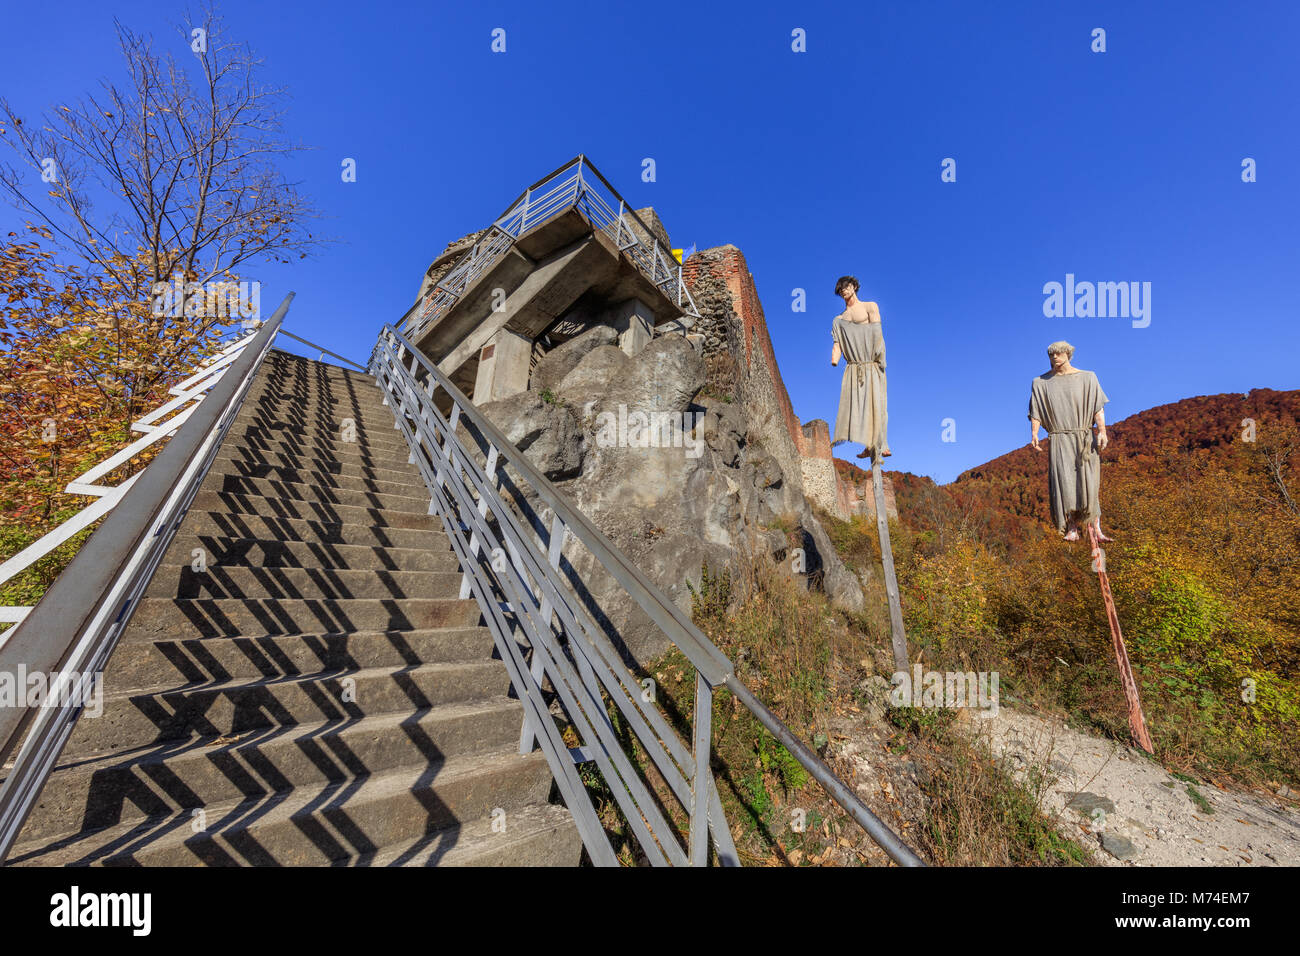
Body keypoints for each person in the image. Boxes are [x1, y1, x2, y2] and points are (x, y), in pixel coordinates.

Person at [1028, 341, 1113, 542]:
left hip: (1084, 436)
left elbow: (1097, 408)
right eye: (1051, 355)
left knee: (1090, 482)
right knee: (1065, 482)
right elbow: (1036, 412)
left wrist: (1102, 431)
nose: (1054, 358)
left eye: (1058, 354)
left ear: (1068, 354)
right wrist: (1034, 433)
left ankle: (1096, 528)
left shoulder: (1087, 377)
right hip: (1059, 438)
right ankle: (1072, 527)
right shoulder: (1040, 382)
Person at [830, 275, 890, 460]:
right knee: (858, 406)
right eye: (840, 290)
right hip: (854, 367)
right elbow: (837, 343)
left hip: (871, 363)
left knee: (877, 403)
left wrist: (879, 358)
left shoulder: (870, 307)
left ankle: (882, 444)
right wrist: (834, 358)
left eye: (846, 287)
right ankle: (868, 444)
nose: (844, 291)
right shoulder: (839, 320)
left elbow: (876, 333)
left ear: (854, 287)